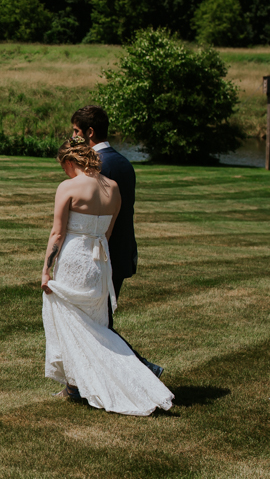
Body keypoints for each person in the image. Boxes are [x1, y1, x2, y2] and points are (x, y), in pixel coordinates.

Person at [41, 137, 173, 415]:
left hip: (75, 257)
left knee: (72, 319)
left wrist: (46, 268)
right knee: (95, 323)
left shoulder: (68, 187)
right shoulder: (113, 189)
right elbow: (108, 233)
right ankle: (76, 386)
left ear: (70, 161)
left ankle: (108, 379)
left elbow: (57, 233)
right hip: (100, 262)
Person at [70, 105, 163, 379]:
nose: (72, 136)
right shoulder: (122, 162)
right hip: (122, 252)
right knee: (100, 322)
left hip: (103, 255)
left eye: (76, 131)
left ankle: (143, 369)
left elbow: (98, 216)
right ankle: (88, 381)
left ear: (89, 132)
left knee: (98, 325)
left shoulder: (99, 166)